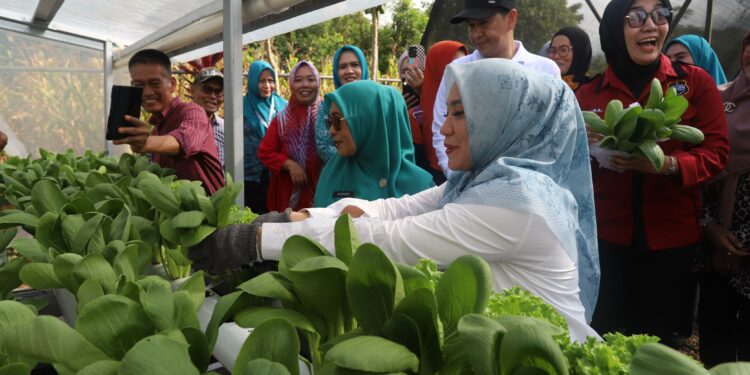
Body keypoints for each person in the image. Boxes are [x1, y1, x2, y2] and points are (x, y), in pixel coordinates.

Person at [190, 59, 601, 342]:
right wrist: (293, 218)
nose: (443, 127)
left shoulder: (517, 203)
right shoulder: (478, 182)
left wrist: (257, 240)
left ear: (502, 121)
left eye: (459, 113)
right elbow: (394, 208)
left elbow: (390, 239)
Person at [576, 0, 729, 347]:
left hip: (670, 246)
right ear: (616, 27)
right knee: (606, 338)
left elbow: (717, 153)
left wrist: (667, 164)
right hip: (606, 245)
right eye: (636, 17)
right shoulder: (589, 93)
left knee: (661, 346)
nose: (651, 25)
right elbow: (571, 172)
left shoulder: (693, 84)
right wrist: (585, 146)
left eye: (660, 15)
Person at [431, 0, 560, 176]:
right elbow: (441, 130)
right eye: (471, 25)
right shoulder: (457, 71)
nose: (476, 33)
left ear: (511, 19)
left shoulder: (544, 70)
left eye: (484, 23)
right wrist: (458, 178)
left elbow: (553, 135)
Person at [698, 31, 750, 367]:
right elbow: (700, 164)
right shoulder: (719, 99)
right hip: (714, 239)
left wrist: (743, 244)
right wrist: (711, 229)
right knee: (715, 348)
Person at [115, 49, 224, 194]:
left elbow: (187, 140)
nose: (147, 92)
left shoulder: (193, 111)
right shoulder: (156, 128)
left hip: (213, 213)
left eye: (155, 83)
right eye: (139, 86)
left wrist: (146, 143)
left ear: (172, 85)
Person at [314, 80, 434, 207]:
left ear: (370, 121)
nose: (331, 131)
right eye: (330, 122)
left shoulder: (422, 188)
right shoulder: (333, 174)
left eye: (337, 120)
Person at [258, 61, 322, 211]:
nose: (305, 84)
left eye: (311, 79)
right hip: (288, 196)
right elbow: (265, 152)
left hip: (323, 195)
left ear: (318, 83)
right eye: (298, 80)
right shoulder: (281, 120)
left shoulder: (328, 114)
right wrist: (289, 164)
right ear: (292, 84)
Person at [420, 41, 469, 185]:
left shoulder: (471, 100)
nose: (459, 70)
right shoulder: (414, 115)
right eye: (453, 65)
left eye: (465, 64)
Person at [243, 61, 288, 214]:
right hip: (250, 175)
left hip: (277, 173)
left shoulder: (283, 105)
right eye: (261, 81)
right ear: (253, 81)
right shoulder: (241, 105)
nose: (267, 85)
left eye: (270, 81)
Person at [314, 45, 369, 162]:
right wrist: (358, 161)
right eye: (343, 67)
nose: (349, 71)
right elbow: (323, 148)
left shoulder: (374, 102)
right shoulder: (327, 106)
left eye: (354, 65)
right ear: (336, 71)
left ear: (363, 68)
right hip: (340, 173)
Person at [190, 67, 225, 168]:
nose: (213, 96)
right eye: (207, 90)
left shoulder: (225, 128)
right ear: (192, 90)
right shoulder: (178, 122)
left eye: (218, 92)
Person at [549, 26, 593, 91]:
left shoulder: (590, 91)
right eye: (552, 50)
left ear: (579, 53)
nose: (556, 56)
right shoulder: (545, 84)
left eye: (563, 50)